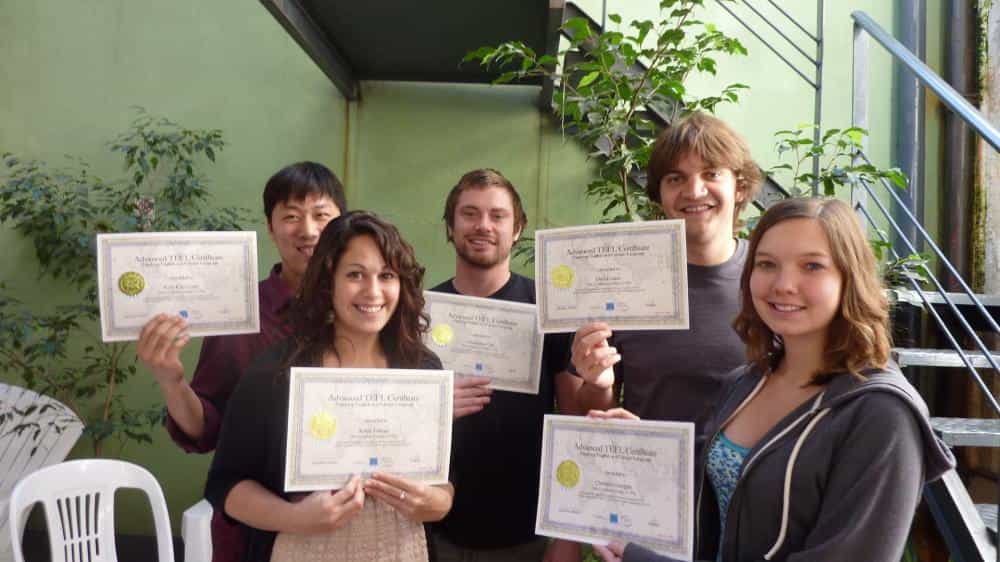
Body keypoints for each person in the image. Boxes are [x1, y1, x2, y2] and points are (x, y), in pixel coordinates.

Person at [592, 197, 955, 562]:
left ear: (850, 278)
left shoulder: (881, 414)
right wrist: (646, 451)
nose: (783, 284)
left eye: (812, 266)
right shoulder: (746, 383)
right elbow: (731, 500)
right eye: (767, 264)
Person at [204, 211, 453, 562]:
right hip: (302, 548)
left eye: (386, 275)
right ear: (328, 282)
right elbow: (226, 485)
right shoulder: (278, 371)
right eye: (355, 275)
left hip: (402, 550)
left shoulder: (423, 370)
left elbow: (444, 486)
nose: (373, 291)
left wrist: (434, 503)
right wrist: (294, 517)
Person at [135, 161, 346, 562]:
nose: (308, 230)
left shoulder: (361, 310)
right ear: (270, 227)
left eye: (322, 215)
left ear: (342, 224)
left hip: (344, 523)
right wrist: (171, 381)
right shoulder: (240, 310)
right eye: (291, 217)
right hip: (252, 528)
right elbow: (207, 428)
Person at [566, 113, 764, 438]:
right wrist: (597, 384)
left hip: (755, 485)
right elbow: (595, 413)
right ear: (660, 194)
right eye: (676, 178)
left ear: (740, 188)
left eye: (711, 173)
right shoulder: (622, 286)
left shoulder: (771, 279)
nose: (695, 191)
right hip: (650, 481)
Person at [428, 169, 578, 561]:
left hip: (524, 530)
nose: (483, 226)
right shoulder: (420, 315)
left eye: (497, 215)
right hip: (434, 529)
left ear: (517, 229)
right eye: (469, 214)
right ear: (450, 225)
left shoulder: (550, 311)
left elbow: (577, 420)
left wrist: (567, 536)